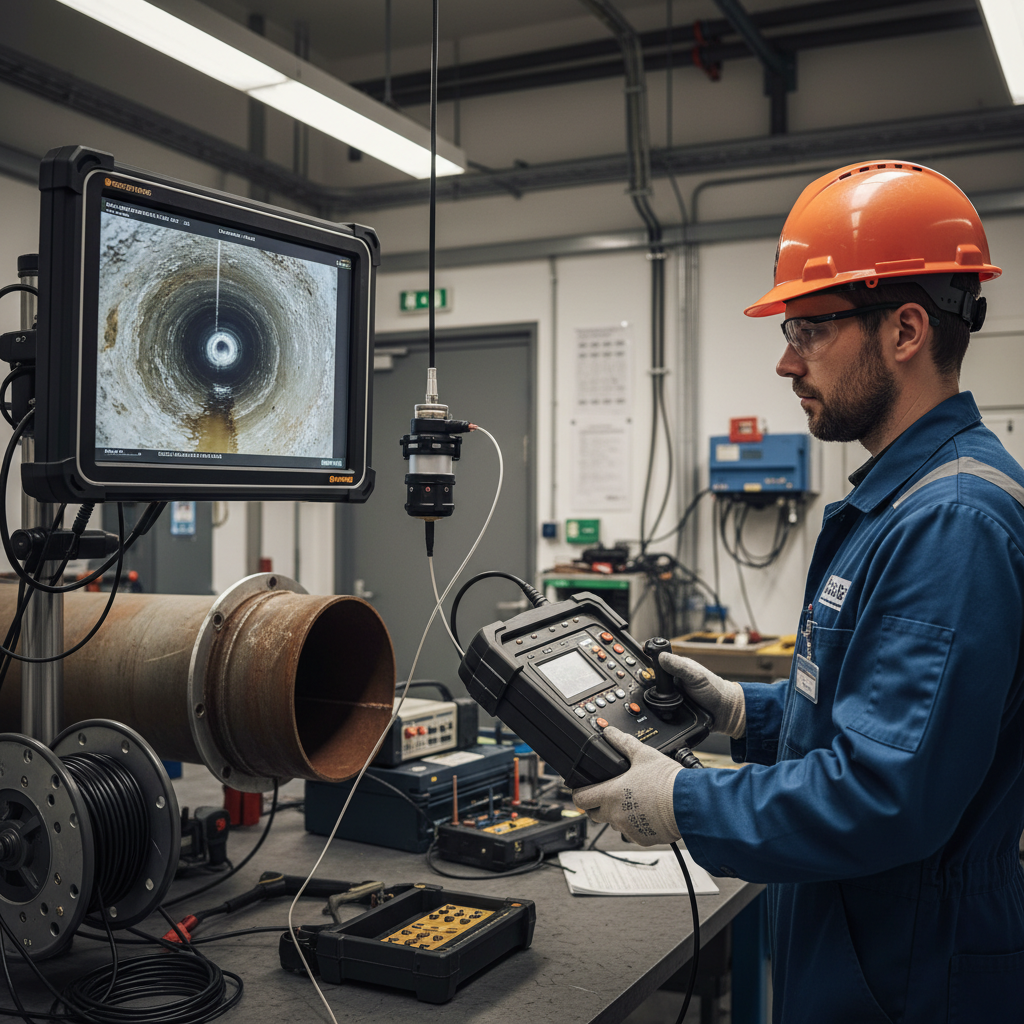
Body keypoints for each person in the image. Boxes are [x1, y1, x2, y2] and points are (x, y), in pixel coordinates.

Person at [573, 161, 1024, 1023]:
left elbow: (885, 793)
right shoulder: (906, 498)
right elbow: (875, 713)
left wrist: (681, 800)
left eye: (811, 328)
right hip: (867, 935)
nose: (786, 361)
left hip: (911, 966)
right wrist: (744, 711)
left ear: (905, 329)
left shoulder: (951, 522)